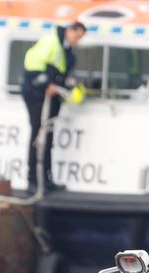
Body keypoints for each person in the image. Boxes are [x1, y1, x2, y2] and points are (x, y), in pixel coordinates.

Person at [21, 21, 87, 194]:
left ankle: (46, 179)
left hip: (52, 97)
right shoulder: (51, 42)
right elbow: (32, 66)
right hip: (37, 96)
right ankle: (32, 180)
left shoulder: (67, 49)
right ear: (70, 31)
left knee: (48, 137)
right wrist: (46, 86)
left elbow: (62, 73)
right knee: (38, 135)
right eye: (77, 36)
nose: (77, 41)